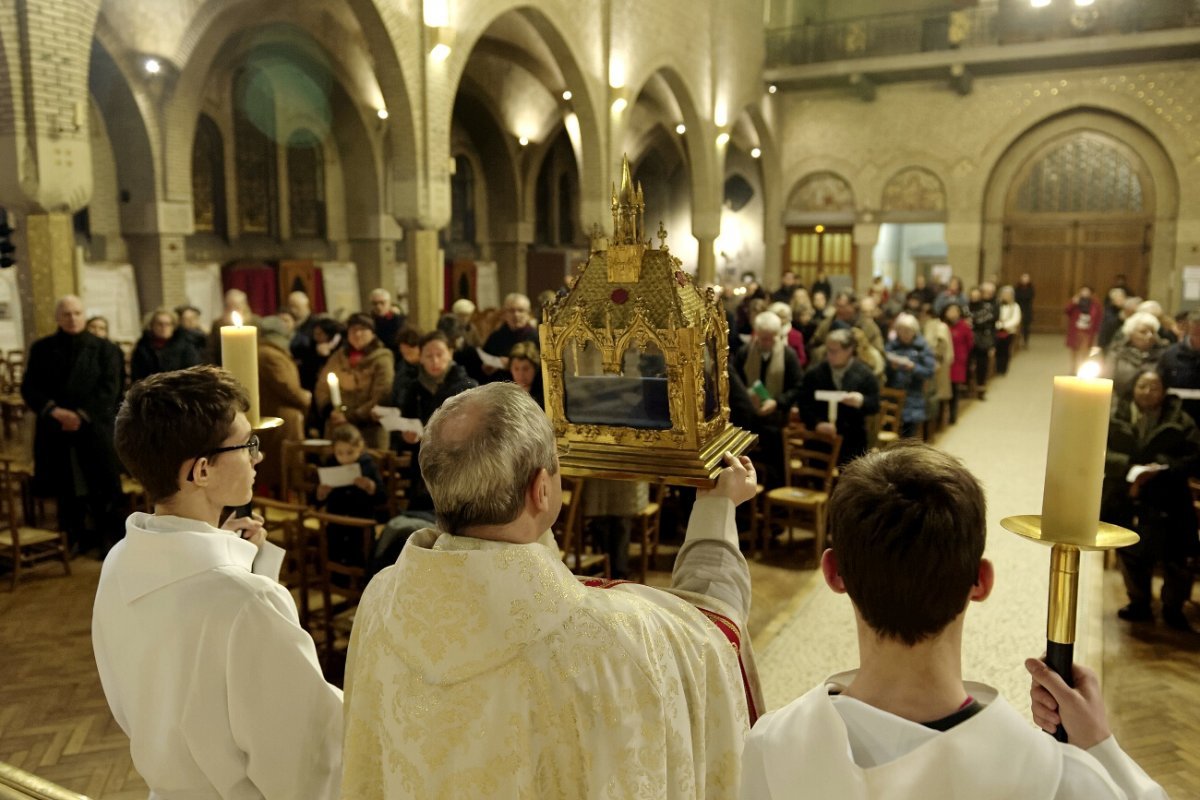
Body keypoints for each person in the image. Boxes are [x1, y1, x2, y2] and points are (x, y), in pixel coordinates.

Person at [341, 383, 762, 797]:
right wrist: (716, 508)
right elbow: (711, 633)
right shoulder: (608, 639)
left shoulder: (381, 600)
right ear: (541, 489)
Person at [741, 443, 1167, 799]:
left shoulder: (771, 746)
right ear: (981, 581)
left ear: (833, 574)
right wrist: (1098, 746)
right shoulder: (1057, 780)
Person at [94, 366, 343, 799]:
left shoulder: (119, 560)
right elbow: (306, 761)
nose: (258, 457)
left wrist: (246, 567)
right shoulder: (246, 603)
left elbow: (183, 681)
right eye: (247, 445)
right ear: (202, 471)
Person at [22, 296, 125, 555]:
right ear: (57, 317)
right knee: (65, 487)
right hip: (56, 428)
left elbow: (110, 389)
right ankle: (74, 538)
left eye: (77, 313)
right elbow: (30, 387)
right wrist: (55, 412)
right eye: (66, 314)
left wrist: (79, 415)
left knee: (101, 486)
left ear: (85, 314)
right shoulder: (42, 349)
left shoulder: (106, 349)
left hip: (93, 428)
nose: (72, 318)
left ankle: (108, 542)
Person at [1102, 370, 1200, 632]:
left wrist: (1162, 467)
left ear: (1164, 391)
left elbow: (1194, 456)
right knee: (1131, 552)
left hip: (1169, 495)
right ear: (1133, 388)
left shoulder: (1180, 420)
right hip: (1128, 494)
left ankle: (1173, 607)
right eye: (1142, 386)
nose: (1147, 392)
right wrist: (1129, 467)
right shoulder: (1114, 415)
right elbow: (1099, 450)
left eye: (1154, 387)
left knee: (1177, 557)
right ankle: (1139, 603)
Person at [734, 311, 805, 486]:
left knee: (774, 458)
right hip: (748, 419)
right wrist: (747, 397)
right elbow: (735, 384)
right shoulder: (744, 353)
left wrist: (777, 402)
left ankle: (774, 495)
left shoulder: (788, 355)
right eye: (762, 338)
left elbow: (798, 387)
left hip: (775, 420)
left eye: (770, 339)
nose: (766, 343)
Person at [799, 328, 880, 465]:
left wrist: (861, 401)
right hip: (820, 439)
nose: (829, 355)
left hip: (851, 439)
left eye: (834, 351)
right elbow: (804, 405)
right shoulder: (815, 374)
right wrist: (817, 424)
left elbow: (875, 405)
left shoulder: (865, 374)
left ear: (849, 350)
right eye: (828, 350)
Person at [314, 313, 394, 449]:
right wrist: (329, 410)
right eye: (353, 330)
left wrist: (352, 417)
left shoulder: (382, 359)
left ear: (372, 333)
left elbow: (382, 394)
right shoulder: (339, 357)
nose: (357, 334)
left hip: (369, 430)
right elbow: (322, 386)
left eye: (363, 329)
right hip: (338, 427)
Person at [314, 424, 386, 566]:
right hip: (336, 522)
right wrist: (320, 494)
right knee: (334, 550)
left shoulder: (368, 465)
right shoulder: (329, 464)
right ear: (333, 450)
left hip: (360, 523)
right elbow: (316, 501)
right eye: (340, 453)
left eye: (350, 452)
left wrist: (370, 487)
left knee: (359, 556)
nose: (345, 458)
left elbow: (382, 498)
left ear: (359, 448)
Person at [257, 315, 312, 495]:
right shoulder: (270, 355)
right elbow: (286, 386)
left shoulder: (266, 352)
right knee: (283, 463)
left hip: (278, 414)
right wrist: (306, 398)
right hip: (282, 417)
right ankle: (285, 496)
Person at [883, 313, 935, 437]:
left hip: (914, 394)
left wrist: (913, 367)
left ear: (914, 331)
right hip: (893, 395)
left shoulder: (922, 347)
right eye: (901, 330)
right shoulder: (891, 346)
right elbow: (883, 371)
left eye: (908, 330)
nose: (905, 334)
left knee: (908, 434)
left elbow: (929, 372)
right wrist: (891, 367)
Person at [1104, 311, 1167, 400]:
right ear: (1130, 334)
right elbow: (1106, 381)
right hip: (1120, 403)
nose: (1149, 336)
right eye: (1143, 332)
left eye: (1152, 332)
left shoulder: (1163, 354)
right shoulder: (1116, 352)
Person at [130, 308, 202, 383]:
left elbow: (193, 373)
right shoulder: (142, 348)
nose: (164, 327)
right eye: (160, 324)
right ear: (152, 325)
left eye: (168, 324)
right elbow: (137, 376)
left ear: (173, 327)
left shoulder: (186, 347)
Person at [1158, 308, 1200, 423]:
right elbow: (1161, 386)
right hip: (1176, 418)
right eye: (1196, 334)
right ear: (1188, 328)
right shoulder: (1170, 355)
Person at [204, 288, 258, 364]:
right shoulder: (218, 324)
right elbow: (212, 350)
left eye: (237, 306)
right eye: (230, 306)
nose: (234, 309)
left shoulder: (255, 322)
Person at [943, 302, 973, 424]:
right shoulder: (943, 326)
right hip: (946, 360)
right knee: (945, 388)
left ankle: (953, 415)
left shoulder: (964, 326)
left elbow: (970, 343)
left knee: (954, 388)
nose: (952, 313)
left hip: (958, 360)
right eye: (949, 310)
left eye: (954, 311)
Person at [967, 286, 996, 400]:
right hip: (968, 340)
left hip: (982, 341)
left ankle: (981, 388)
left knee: (981, 365)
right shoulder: (965, 308)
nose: (974, 298)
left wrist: (973, 323)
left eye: (976, 295)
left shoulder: (986, 308)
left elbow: (987, 323)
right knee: (967, 364)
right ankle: (967, 388)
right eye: (972, 295)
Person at [1065, 286, 1103, 373]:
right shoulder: (1076, 301)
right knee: (1074, 351)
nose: (1084, 293)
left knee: (1085, 352)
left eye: (1087, 291)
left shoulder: (1095, 304)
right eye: (1083, 291)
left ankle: (1082, 368)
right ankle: (1073, 368)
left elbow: (1098, 317)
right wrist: (1073, 303)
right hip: (1076, 330)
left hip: (1088, 332)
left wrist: (1097, 331)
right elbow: (1067, 311)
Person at [368, 288, 405, 358]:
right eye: (375, 303)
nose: (378, 306)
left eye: (382, 303)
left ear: (389, 303)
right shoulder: (369, 321)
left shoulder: (398, 320)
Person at [769, 300, 807, 367]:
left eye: (783, 317)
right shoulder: (767, 332)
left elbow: (802, 358)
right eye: (778, 316)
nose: (780, 320)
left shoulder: (796, 335)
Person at [994, 285, 1022, 375]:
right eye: (1004, 294)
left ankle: (1003, 369)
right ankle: (997, 368)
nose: (1006, 296)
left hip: (1009, 331)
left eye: (1008, 294)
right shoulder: (997, 305)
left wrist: (1004, 326)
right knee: (997, 351)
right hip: (996, 331)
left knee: (1005, 351)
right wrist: (998, 325)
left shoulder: (1015, 306)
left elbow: (1016, 319)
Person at [508, 340, 543, 408]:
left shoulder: (545, 393)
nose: (521, 374)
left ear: (535, 368)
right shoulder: (506, 394)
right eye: (516, 369)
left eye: (526, 369)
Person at [1015, 272, 1035, 345]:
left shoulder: (1031, 288)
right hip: (1018, 308)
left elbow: (1029, 296)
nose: (1025, 280)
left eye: (1026, 279)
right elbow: (1017, 296)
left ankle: (1025, 340)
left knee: (1026, 327)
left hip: (1027, 309)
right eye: (1023, 278)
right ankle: (1018, 341)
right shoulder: (1017, 287)